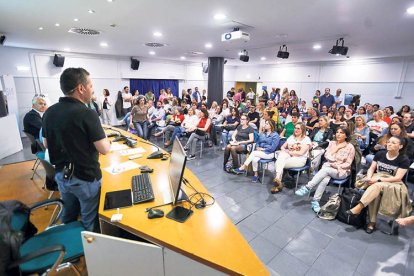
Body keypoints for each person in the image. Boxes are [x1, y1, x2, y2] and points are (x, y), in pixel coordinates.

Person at [42, 67, 111, 232]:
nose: (92, 90)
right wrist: (107, 139)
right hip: (85, 178)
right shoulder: (87, 113)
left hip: (61, 175)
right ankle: (89, 252)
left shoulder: (49, 112)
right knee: (89, 220)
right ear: (81, 88)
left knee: (69, 215)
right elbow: (104, 149)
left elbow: (46, 144)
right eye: (91, 86)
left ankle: (68, 253)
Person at [347, 136, 412, 234]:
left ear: (400, 146)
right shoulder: (380, 154)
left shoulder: (404, 159)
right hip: (377, 180)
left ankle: (360, 207)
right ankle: (372, 223)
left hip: (393, 184)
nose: (389, 144)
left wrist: (378, 179)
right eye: (389, 142)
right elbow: (371, 169)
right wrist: (369, 177)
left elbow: (397, 178)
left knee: (376, 186)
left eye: (394, 143)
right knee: (375, 193)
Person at [296, 127, 355, 212]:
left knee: (325, 170)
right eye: (337, 132)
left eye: (341, 133)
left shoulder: (350, 147)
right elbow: (327, 156)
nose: (338, 134)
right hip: (329, 167)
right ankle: (315, 201)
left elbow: (348, 163)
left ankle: (308, 187)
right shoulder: (332, 143)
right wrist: (337, 148)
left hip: (341, 171)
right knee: (325, 179)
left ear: (346, 135)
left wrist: (337, 165)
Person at [271, 123, 312, 194]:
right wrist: (285, 150)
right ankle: (278, 179)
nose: (296, 130)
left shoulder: (306, 139)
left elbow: (301, 153)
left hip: (300, 160)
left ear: (302, 130)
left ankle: (277, 183)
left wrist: (289, 152)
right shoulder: (291, 137)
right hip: (289, 157)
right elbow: (282, 147)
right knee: (282, 155)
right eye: (295, 128)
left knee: (278, 163)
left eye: (298, 128)